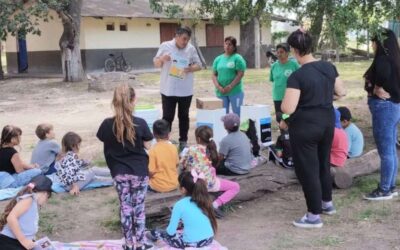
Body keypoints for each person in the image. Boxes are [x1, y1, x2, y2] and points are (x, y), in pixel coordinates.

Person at [281, 29, 346, 228]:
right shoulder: (328, 67)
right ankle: (327, 204)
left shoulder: (297, 76)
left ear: (294, 50)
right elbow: (341, 92)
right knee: (323, 163)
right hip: (327, 122)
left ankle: (313, 216)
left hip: (305, 126)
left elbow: (288, 108)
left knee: (308, 170)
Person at [97, 84, 154, 250]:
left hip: (118, 172)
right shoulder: (141, 123)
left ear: (114, 101)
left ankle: (129, 244)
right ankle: (141, 243)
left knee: (126, 208)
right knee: (139, 208)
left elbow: (104, 139)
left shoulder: (106, 125)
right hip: (139, 172)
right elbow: (148, 146)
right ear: (134, 100)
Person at [363, 28, 400, 201]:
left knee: (385, 151)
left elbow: (383, 73)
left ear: (381, 43)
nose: (372, 45)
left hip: (384, 108)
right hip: (392, 107)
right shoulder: (395, 59)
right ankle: (390, 186)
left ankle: (385, 189)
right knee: (391, 149)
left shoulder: (384, 59)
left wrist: (377, 87)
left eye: (374, 42)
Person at [153, 26, 202, 151]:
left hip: (185, 89)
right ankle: (164, 142)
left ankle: (183, 141)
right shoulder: (165, 46)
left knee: (184, 116)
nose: (185, 42)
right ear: (176, 36)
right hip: (168, 89)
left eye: (187, 39)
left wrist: (190, 68)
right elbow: (156, 63)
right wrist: (162, 59)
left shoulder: (191, 49)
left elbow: (199, 65)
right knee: (167, 117)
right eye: (183, 39)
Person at [180, 125, 240, 218]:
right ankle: (215, 205)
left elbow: (182, 164)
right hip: (211, 184)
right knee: (235, 187)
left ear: (198, 139)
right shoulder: (212, 151)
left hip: (194, 183)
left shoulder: (190, 149)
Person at [146, 170, 216, 249]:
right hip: (209, 239)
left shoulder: (180, 205)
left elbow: (170, 232)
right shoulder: (206, 200)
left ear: (183, 189)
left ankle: (149, 234)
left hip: (191, 243)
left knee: (157, 232)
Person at [0, 175, 52, 250]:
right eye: (48, 197)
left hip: (17, 241)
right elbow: (11, 218)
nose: (46, 201)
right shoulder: (29, 199)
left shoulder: (32, 201)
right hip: (10, 241)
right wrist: (23, 240)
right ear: (45, 193)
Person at [212, 36, 247, 116]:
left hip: (235, 91)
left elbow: (240, 74)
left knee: (237, 114)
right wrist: (218, 87)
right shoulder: (218, 59)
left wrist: (230, 86)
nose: (227, 46)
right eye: (226, 44)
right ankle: (224, 129)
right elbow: (214, 75)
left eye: (230, 44)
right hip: (221, 92)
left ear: (234, 47)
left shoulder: (237, 58)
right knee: (222, 115)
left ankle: (237, 128)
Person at [269, 43, 300, 122]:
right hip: (277, 97)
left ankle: (290, 133)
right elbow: (272, 79)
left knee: (289, 118)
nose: (279, 54)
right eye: (277, 52)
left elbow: (301, 79)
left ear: (287, 53)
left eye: (281, 52)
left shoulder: (294, 65)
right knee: (280, 118)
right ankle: (283, 134)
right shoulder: (274, 66)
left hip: (290, 96)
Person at [148, 119, 179, 193]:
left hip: (158, 186)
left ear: (153, 135)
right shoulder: (173, 147)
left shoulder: (153, 150)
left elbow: (151, 172)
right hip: (174, 184)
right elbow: (177, 164)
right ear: (168, 134)